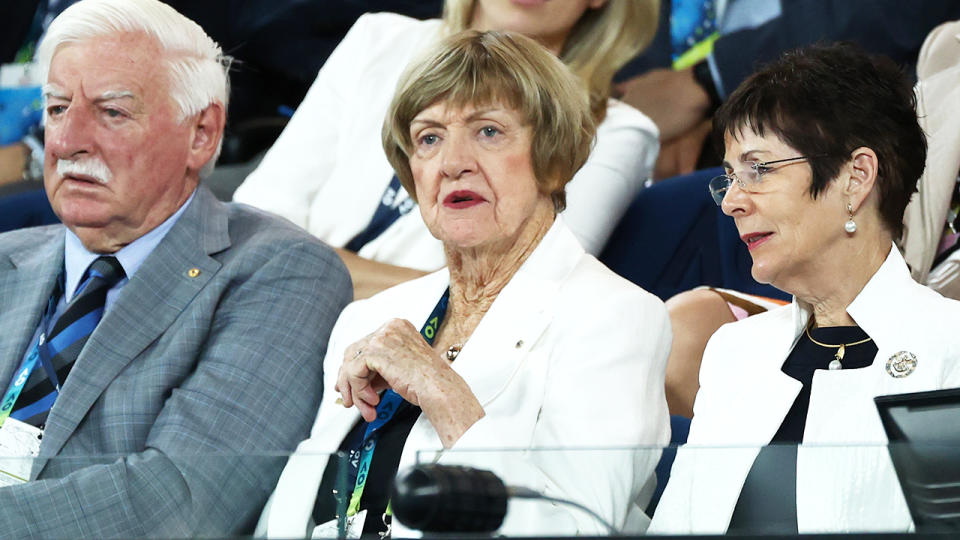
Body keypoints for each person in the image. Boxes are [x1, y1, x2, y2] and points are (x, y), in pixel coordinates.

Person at [257, 30, 671, 538]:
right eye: (429, 138)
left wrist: (441, 391)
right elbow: (295, 508)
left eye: (488, 132)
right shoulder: (369, 318)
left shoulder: (614, 318)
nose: (453, 162)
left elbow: (581, 527)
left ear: (554, 159)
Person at [0, 0, 352, 537]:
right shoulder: (8, 259)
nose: (68, 142)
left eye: (112, 112)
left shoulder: (280, 271)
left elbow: (179, 502)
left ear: (202, 133)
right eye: (56, 109)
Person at [649, 42, 960, 535]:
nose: (731, 201)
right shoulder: (735, 351)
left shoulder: (950, 346)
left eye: (758, 169)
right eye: (730, 176)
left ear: (855, 178)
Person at [233, 0, 660, 300]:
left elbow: (507, 297)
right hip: (265, 311)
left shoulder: (616, 131)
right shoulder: (379, 38)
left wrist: (297, 268)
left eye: (490, 132)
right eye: (431, 137)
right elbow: (254, 225)